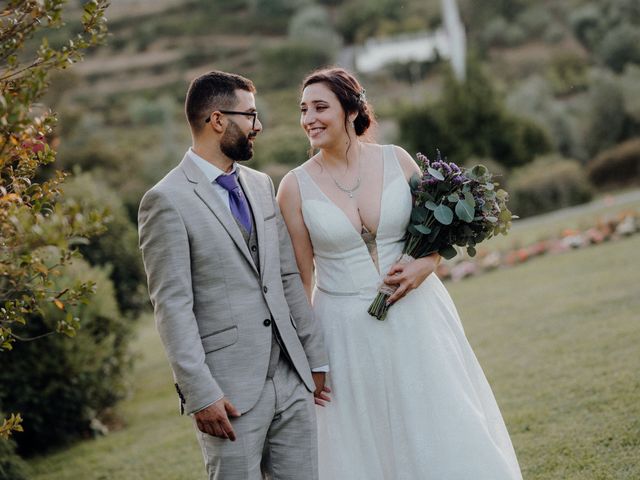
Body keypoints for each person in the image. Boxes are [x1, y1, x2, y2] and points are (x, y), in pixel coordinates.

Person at [277, 67, 523, 479]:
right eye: (303, 110)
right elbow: (303, 279)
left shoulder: (397, 159)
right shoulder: (293, 187)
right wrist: (307, 357)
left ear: (351, 110)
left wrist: (426, 266)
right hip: (343, 333)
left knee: (441, 421)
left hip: (419, 316)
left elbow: (439, 235)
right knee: (366, 444)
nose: (309, 119)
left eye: (321, 107)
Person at [138, 70, 329, 480]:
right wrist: (200, 393)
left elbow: (286, 277)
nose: (257, 127)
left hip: (292, 379)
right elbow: (172, 306)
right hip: (228, 394)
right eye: (250, 116)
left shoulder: (261, 185)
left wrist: (314, 356)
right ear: (218, 120)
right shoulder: (165, 201)